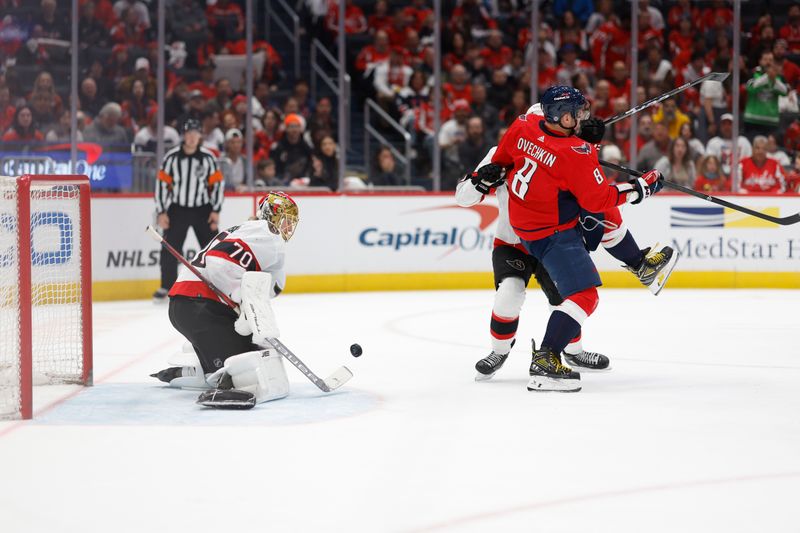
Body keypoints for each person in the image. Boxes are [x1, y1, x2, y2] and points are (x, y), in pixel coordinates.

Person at [459, 90, 676, 391]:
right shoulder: (563, 151)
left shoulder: (522, 128)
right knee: (530, 293)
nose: (583, 117)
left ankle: (637, 268)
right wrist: (641, 188)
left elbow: (562, 159)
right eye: (577, 113)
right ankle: (520, 355)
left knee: (593, 234)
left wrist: (585, 141)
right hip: (530, 235)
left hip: (532, 225)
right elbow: (588, 184)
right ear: (559, 116)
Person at [151, 192, 300, 408]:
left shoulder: (246, 230)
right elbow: (218, 262)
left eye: (292, 223)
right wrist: (240, 298)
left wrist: (244, 305)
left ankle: (192, 371)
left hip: (188, 306)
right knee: (247, 366)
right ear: (271, 216)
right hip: (200, 308)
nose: (288, 228)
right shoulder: (268, 236)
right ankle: (221, 380)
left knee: (251, 349)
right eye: (286, 220)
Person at [153, 118, 224, 302]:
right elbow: (161, 184)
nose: (192, 137)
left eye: (195, 133)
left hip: (203, 209)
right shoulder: (172, 158)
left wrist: (216, 210)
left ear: (200, 135)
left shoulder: (208, 158)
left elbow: (217, 185)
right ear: (184, 135)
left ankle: (219, 284)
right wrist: (161, 211)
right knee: (170, 248)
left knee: (213, 249)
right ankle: (166, 285)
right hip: (178, 209)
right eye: (189, 133)